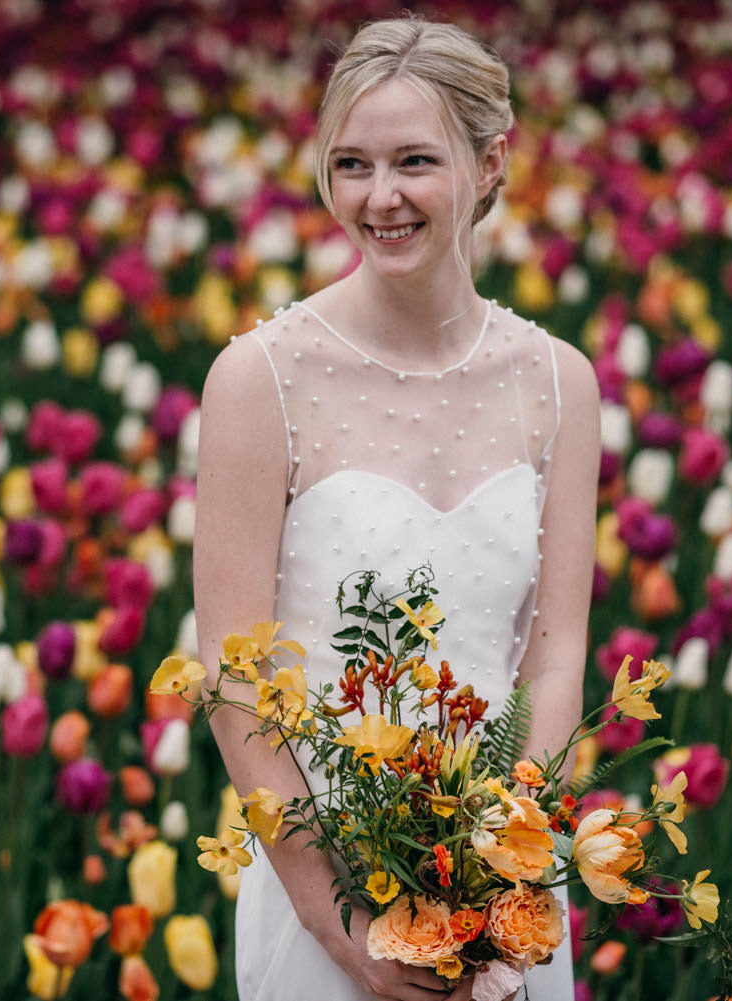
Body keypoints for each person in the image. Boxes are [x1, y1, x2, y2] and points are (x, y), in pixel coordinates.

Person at [192, 16, 599, 1001]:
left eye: (415, 160)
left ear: (490, 160)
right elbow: (232, 681)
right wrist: (352, 933)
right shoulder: (258, 380)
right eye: (352, 164)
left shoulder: (559, 384)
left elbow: (554, 658)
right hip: (323, 886)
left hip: (505, 896)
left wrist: (502, 880)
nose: (381, 198)